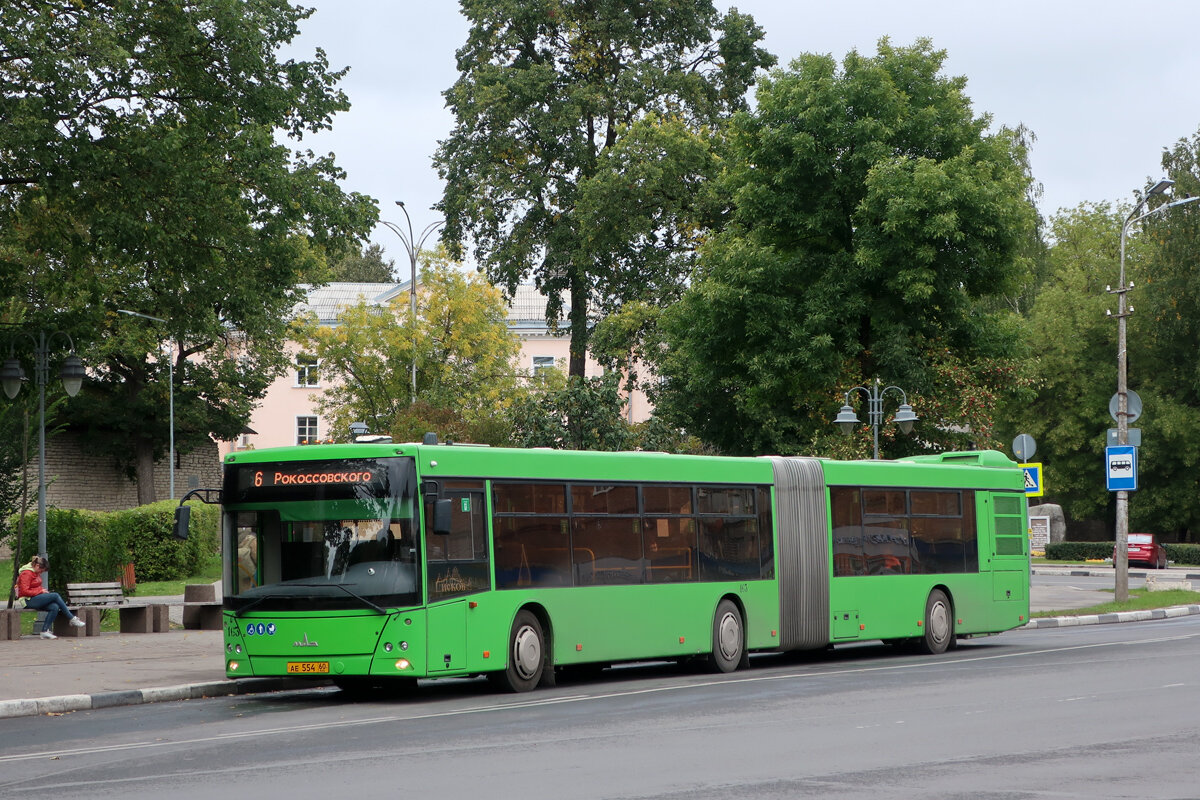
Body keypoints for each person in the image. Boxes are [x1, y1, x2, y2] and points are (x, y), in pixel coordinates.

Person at [16, 555, 86, 639]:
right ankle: (71, 618)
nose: (40, 573)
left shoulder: (35, 572)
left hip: (35, 597)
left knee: (54, 607)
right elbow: (24, 591)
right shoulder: (26, 573)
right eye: (41, 571)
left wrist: (42, 591)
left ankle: (44, 631)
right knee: (55, 595)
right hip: (27, 600)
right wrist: (40, 591)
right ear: (37, 566)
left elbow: (35, 586)